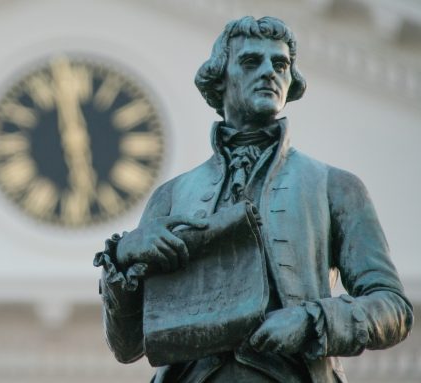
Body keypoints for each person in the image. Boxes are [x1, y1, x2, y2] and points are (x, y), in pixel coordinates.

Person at [93, 16, 413, 383]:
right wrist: (122, 256)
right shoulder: (172, 196)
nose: (268, 73)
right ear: (220, 77)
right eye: (250, 62)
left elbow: (394, 308)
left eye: (280, 65)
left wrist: (311, 321)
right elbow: (127, 345)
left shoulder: (333, 186)